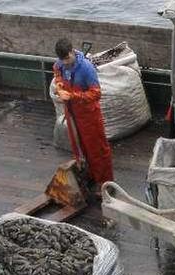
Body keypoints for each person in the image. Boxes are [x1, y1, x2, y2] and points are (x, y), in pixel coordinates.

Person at [53, 38, 114, 188]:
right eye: (62, 60)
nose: (65, 62)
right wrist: (59, 84)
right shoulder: (60, 64)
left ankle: (104, 182)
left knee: (97, 149)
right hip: (72, 112)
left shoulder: (86, 68)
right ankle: (91, 174)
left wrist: (73, 96)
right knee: (79, 147)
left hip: (89, 115)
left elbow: (96, 93)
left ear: (72, 51)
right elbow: (56, 70)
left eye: (67, 58)